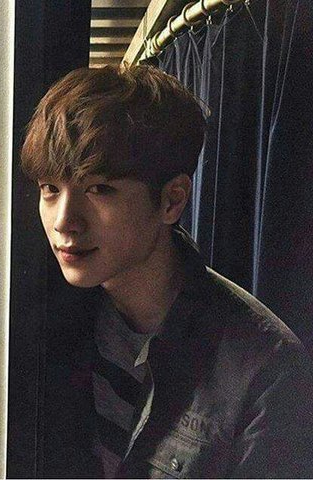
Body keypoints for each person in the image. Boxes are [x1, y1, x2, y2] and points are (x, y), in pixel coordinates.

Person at [20, 64, 313, 478]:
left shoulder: (264, 368)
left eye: (99, 189)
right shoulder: (43, 324)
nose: (64, 221)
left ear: (172, 200)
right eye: (50, 189)